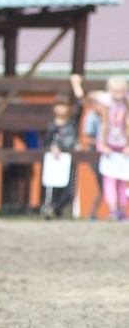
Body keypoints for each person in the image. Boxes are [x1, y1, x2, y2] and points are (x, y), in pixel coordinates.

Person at [41, 74, 86, 219]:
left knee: (70, 191)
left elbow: (81, 103)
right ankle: (52, 211)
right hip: (55, 161)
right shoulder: (51, 126)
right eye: (58, 105)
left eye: (63, 105)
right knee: (54, 188)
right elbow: (46, 143)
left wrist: (76, 84)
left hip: (70, 159)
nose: (60, 109)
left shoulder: (72, 122)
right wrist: (52, 147)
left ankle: (53, 210)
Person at [98, 75, 129, 221]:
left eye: (121, 91)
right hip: (110, 145)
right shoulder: (106, 104)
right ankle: (113, 210)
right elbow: (104, 124)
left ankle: (123, 210)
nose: (118, 94)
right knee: (109, 180)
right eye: (115, 91)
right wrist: (102, 144)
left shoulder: (126, 103)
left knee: (123, 180)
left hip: (123, 146)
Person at [83, 90, 107, 220]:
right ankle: (92, 213)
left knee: (105, 186)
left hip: (104, 155)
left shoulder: (104, 116)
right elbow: (87, 138)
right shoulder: (91, 117)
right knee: (102, 186)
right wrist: (102, 143)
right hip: (95, 156)